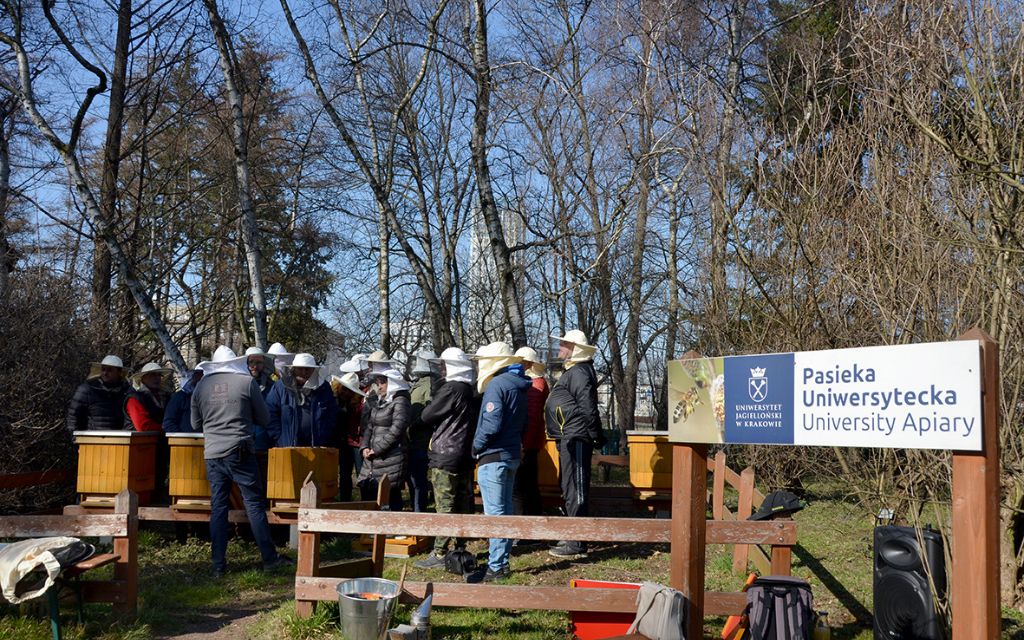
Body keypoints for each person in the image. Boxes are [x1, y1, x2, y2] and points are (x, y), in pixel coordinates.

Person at [191, 345, 292, 577]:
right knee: (254, 504)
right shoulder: (246, 383)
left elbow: (196, 424)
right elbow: (265, 418)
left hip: (213, 453)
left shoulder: (201, 386)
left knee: (218, 507)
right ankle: (269, 558)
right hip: (240, 450)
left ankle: (218, 565)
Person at [413, 348, 478, 568]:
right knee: (462, 503)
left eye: (444, 365)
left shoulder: (451, 389)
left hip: (446, 454)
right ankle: (460, 548)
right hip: (465, 454)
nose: (441, 368)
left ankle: (439, 554)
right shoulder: (469, 390)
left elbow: (427, 415)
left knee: (445, 505)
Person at [471, 342, 531, 581]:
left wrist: (476, 446)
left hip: (493, 457)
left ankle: (496, 566)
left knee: (495, 515)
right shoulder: (520, 387)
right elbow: (524, 424)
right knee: (504, 512)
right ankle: (501, 563)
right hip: (510, 455)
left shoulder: (497, 384)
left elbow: (491, 424)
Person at [545, 330, 604, 560]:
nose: (559, 349)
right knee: (569, 486)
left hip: (577, 436)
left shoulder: (579, 372)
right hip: (570, 436)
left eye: (563, 345)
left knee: (576, 488)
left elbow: (588, 407)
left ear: (574, 349)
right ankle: (573, 534)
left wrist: (595, 434)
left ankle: (577, 541)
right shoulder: (575, 371)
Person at [357, 367, 410, 512]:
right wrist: (365, 447)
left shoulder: (400, 402)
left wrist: (378, 449)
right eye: (378, 383)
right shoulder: (380, 402)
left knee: (390, 494)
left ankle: (393, 531)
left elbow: (397, 429)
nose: (379, 387)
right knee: (370, 492)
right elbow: (370, 426)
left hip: (391, 456)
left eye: (382, 383)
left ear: (392, 383)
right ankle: (370, 531)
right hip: (372, 457)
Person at [265, 353, 338, 448]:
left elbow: (332, 415)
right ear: (293, 369)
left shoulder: (324, 388)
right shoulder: (280, 387)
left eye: (307, 369)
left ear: (314, 370)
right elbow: (270, 413)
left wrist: (324, 437)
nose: (304, 372)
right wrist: (279, 438)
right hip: (287, 448)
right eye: (300, 368)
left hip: (318, 448)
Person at [514, 347, 549, 518]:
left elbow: (533, 418)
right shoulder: (537, 382)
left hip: (527, 444)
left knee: (523, 487)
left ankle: (526, 528)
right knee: (528, 486)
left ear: (528, 363)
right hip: (530, 442)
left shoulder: (535, 385)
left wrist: (523, 445)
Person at [407, 349, 440, 513]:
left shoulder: (429, 385)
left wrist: (416, 425)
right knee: (414, 479)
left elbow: (430, 411)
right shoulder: (421, 383)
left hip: (421, 440)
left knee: (418, 480)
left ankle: (419, 513)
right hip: (414, 439)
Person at [66, 355, 132, 432]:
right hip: (93, 441)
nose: (105, 373)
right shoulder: (87, 389)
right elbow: (73, 416)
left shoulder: (127, 391)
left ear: (119, 372)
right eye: (103, 369)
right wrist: (76, 438)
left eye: (110, 370)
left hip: (119, 441)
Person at [330, 371, 367, 501]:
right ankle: (344, 501)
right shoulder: (333, 400)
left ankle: (365, 501)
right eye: (344, 389)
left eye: (349, 391)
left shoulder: (357, 404)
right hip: (341, 442)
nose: (346, 393)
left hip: (355, 442)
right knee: (344, 474)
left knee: (360, 473)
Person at [245, 347, 277, 451]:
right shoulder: (238, 385)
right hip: (243, 441)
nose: (255, 366)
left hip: (265, 441)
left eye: (259, 362)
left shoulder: (272, 386)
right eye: (251, 362)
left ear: (264, 364)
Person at [164, 367, 203, 433]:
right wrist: (181, 438)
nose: (200, 378)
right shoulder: (179, 397)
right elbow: (168, 423)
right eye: (198, 374)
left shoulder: (209, 397)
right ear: (192, 377)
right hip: (184, 441)